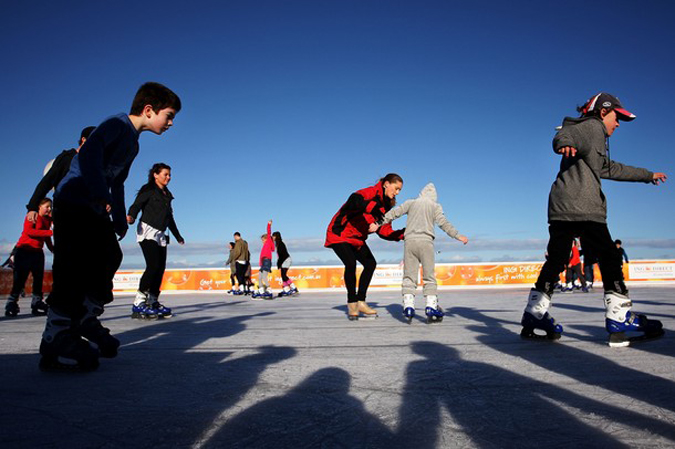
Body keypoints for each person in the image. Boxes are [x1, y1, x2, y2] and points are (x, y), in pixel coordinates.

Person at [39, 82, 181, 371]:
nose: (170, 123)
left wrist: (117, 215)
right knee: (71, 267)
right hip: (72, 202)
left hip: (93, 208)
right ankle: (56, 334)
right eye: (169, 115)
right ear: (149, 110)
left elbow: (117, 182)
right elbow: (90, 156)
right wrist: (98, 193)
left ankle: (85, 318)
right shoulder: (116, 125)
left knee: (110, 256)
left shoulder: (134, 144)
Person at [520, 92, 667, 348]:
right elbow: (564, 135)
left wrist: (646, 174)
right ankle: (619, 317)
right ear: (603, 112)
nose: (618, 124)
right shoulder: (592, 127)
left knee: (556, 259)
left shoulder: (592, 135)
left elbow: (609, 168)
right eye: (617, 117)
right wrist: (563, 143)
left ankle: (535, 314)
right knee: (610, 257)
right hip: (583, 207)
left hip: (561, 206)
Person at [371, 183, 468, 323]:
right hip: (426, 242)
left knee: (409, 276)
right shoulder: (435, 206)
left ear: (421, 194)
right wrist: (458, 236)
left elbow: (394, 213)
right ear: (434, 197)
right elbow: (444, 223)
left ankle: (409, 305)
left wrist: (378, 223)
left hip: (409, 242)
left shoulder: (411, 202)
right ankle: (431, 306)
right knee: (429, 276)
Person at [325, 173, 405, 320]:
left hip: (357, 238)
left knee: (370, 263)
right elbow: (353, 201)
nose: (397, 193)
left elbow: (384, 230)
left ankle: (361, 301)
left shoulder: (387, 207)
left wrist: (402, 234)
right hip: (340, 233)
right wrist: (371, 207)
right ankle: (352, 303)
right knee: (350, 263)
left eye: (400, 190)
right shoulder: (370, 192)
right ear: (386, 183)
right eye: (396, 188)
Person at [127, 163, 185, 319]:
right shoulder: (149, 190)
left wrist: (178, 236)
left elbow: (169, 218)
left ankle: (152, 301)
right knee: (152, 266)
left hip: (161, 234)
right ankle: (138, 303)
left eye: (169, 175)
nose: (168, 177)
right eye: (165, 174)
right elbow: (137, 205)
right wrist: (131, 216)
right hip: (147, 230)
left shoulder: (166, 194)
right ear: (155, 175)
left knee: (160, 268)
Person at [25, 126, 96, 224]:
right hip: (65, 212)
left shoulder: (92, 164)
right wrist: (33, 206)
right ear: (84, 139)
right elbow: (47, 181)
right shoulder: (67, 158)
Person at [5, 198, 54, 317]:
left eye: (50, 207)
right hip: (24, 251)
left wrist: (52, 249)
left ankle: (37, 302)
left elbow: (46, 238)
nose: (49, 209)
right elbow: (29, 231)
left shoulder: (48, 220)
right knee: (20, 279)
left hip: (38, 252)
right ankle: (12, 302)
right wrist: (50, 232)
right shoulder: (33, 216)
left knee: (38, 279)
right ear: (39, 206)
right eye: (47, 206)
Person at [252, 220, 275, 300]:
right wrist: (260, 264)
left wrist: (269, 225)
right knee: (259, 277)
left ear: (266, 239)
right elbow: (261, 256)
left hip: (267, 261)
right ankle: (261, 291)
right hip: (263, 262)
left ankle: (269, 289)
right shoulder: (264, 246)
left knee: (264, 277)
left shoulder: (268, 242)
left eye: (263, 239)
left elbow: (269, 233)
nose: (262, 241)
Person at [272, 230, 298, 297]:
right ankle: (286, 288)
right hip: (284, 260)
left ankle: (293, 287)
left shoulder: (280, 244)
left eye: (274, 236)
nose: (273, 237)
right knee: (283, 275)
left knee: (283, 275)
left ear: (277, 236)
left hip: (286, 260)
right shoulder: (278, 244)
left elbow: (282, 255)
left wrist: (279, 263)